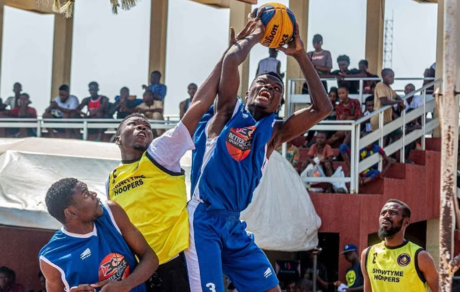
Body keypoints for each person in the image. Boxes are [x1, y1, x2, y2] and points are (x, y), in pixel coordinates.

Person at [186, 10, 332, 292]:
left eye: (277, 88)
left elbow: (322, 108)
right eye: (263, 83)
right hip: (203, 217)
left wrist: (299, 53)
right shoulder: (227, 113)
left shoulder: (273, 134)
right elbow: (231, 60)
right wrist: (256, 35)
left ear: (278, 104)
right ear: (249, 90)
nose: (269, 86)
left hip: (233, 224)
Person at [107, 23, 253, 292]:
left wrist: (228, 54)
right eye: (134, 124)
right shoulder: (112, 179)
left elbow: (199, 104)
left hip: (176, 265)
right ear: (117, 138)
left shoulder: (159, 154)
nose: (143, 126)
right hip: (138, 271)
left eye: (147, 125)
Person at [39, 178, 158, 292]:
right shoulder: (51, 258)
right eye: (86, 195)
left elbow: (150, 257)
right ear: (71, 213)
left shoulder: (112, 213)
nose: (94, 194)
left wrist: (125, 285)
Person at [361, 199, 439, 292]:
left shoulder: (420, 256)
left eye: (393, 213)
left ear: (406, 221)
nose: (386, 216)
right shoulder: (368, 254)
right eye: (383, 213)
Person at [370, 69, 404, 141]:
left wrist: (401, 102)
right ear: (383, 76)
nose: (392, 79)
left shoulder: (389, 88)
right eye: (390, 76)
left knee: (391, 136)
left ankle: (388, 151)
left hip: (387, 118)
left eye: (393, 76)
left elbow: (397, 96)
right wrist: (398, 102)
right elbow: (384, 101)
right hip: (379, 118)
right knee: (396, 133)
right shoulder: (380, 85)